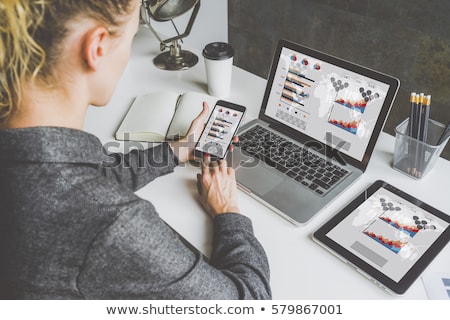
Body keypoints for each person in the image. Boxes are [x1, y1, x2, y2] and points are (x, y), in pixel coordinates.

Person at [0, 0, 271, 299]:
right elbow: (249, 303)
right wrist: (228, 212)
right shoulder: (111, 224)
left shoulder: (24, 156)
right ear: (97, 47)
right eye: (131, 37)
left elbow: (73, 178)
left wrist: (177, 150)